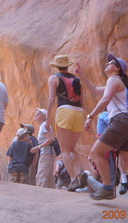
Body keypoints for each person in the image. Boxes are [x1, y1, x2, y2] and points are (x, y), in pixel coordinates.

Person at [75, 54, 128, 211]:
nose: (106, 65)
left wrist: (90, 116)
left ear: (117, 68)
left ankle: (108, 188)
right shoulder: (119, 83)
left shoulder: (114, 79)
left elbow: (105, 99)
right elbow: (96, 90)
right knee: (127, 165)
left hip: (121, 121)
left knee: (96, 152)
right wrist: (82, 75)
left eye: (110, 63)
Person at [46, 55, 87, 191]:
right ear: (67, 65)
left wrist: (47, 118)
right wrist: (87, 116)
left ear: (56, 65)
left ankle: (74, 179)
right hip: (79, 112)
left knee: (64, 150)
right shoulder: (76, 79)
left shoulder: (54, 78)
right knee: (71, 149)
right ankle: (80, 172)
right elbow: (82, 99)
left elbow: (52, 98)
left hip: (64, 111)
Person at [30, 108, 56, 188]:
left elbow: (50, 139)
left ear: (43, 116)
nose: (35, 115)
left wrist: (38, 147)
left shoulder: (44, 125)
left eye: (38, 113)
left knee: (41, 175)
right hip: (48, 153)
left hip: (46, 153)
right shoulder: (43, 125)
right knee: (49, 177)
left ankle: (40, 195)